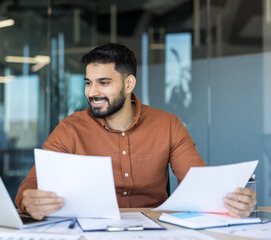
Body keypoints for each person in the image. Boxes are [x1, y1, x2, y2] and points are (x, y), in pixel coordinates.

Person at [15, 43, 257, 220]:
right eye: (88, 82)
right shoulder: (70, 129)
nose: (91, 92)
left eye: (104, 82)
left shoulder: (168, 125)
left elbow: (201, 184)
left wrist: (233, 203)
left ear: (129, 84)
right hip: (91, 231)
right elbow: (31, 184)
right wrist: (29, 200)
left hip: (157, 231)